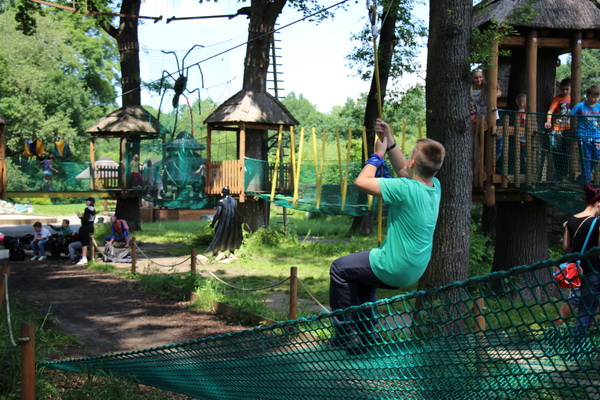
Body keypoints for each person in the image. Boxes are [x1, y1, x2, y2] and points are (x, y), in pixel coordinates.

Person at [328, 118, 445, 354]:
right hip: (414, 268)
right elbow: (403, 169)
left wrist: (378, 155)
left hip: (394, 266)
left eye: (409, 156)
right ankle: (367, 337)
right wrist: (389, 139)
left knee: (339, 269)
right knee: (361, 278)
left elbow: (362, 181)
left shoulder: (404, 188)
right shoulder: (434, 186)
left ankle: (346, 334)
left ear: (413, 161)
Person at [563, 183, 600, 332]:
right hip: (593, 271)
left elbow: (567, 246)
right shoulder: (597, 223)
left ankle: (584, 340)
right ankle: (579, 343)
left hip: (577, 272)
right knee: (587, 309)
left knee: (586, 306)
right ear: (598, 203)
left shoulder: (571, 220)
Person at [570, 85, 600, 183]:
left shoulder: (599, 107)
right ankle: (586, 181)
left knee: (597, 157)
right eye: (593, 96)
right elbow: (569, 115)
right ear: (587, 96)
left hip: (596, 136)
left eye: (597, 97)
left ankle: (584, 176)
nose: (595, 99)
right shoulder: (580, 106)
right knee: (586, 158)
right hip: (583, 136)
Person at [545, 78, 572, 181]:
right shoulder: (557, 98)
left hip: (569, 128)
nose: (565, 91)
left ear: (571, 88)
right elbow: (550, 111)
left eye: (567, 89)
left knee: (567, 151)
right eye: (563, 89)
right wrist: (548, 121)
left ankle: (566, 175)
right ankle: (559, 175)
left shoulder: (574, 98)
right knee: (557, 151)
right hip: (558, 127)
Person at [205, 186, 243, 257]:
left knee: (218, 235)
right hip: (234, 223)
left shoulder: (221, 201)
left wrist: (213, 223)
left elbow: (218, 213)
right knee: (232, 236)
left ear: (222, 193)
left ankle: (215, 252)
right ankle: (232, 252)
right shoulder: (234, 201)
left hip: (224, 223)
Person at [76, 197, 96, 265]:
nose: (86, 202)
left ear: (90, 202)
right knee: (91, 242)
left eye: (87, 201)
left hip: (86, 227)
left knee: (84, 242)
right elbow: (91, 219)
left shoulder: (87, 209)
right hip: (91, 226)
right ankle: (92, 257)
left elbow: (86, 219)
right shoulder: (94, 210)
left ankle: (84, 258)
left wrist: (81, 217)